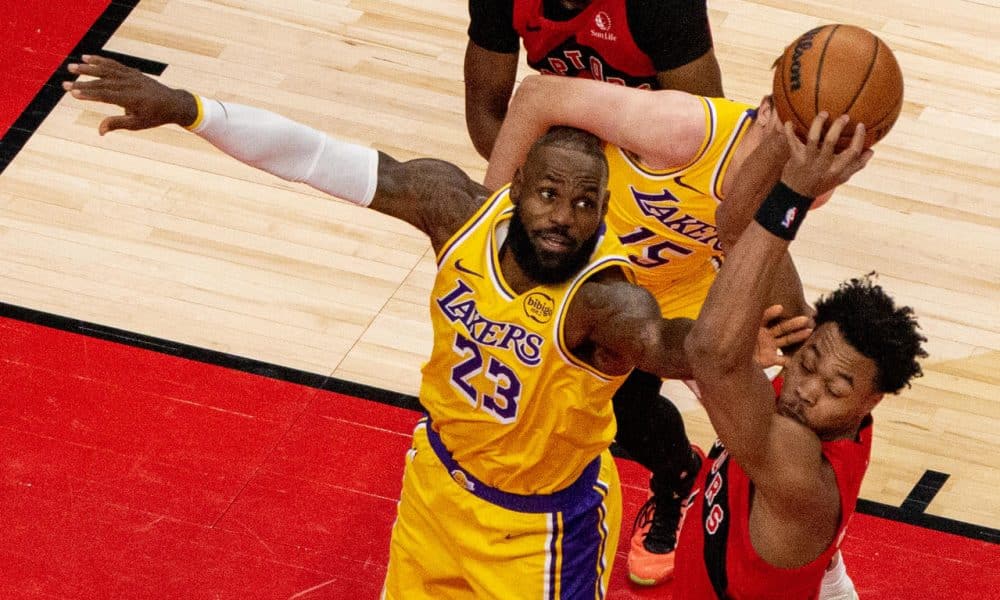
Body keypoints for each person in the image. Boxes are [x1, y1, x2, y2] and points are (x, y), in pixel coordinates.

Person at [63, 55, 807, 599]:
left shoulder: (605, 302)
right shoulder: (454, 211)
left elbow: (679, 349)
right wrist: (192, 107)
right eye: (548, 194)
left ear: (602, 211)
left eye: (586, 204)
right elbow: (315, 157)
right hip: (435, 491)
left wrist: (737, 332)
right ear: (515, 185)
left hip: (539, 534)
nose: (563, 218)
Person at [485, 72, 814, 586]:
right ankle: (681, 468)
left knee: (751, 418)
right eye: (791, 136)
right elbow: (535, 96)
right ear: (767, 109)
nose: (800, 157)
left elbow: (742, 243)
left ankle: (694, 496)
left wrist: (754, 336)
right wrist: (487, 233)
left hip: (679, 283)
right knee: (612, 416)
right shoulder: (680, 129)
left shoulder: (813, 181)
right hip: (591, 269)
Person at [679, 113, 927, 598]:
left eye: (835, 389)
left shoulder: (799, 469)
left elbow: (709, 353)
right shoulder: (815, 354)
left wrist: (797, 189)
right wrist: (792, 130)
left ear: (870, 402)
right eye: (808, 364)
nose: (806, 390)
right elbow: (734, 224)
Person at [465, 0, 724, 160]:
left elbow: (708, 133)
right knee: (433, 180)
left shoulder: (666, 6)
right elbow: (486, 115)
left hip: (653, 155)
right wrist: (541, 178)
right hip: (561, 155)